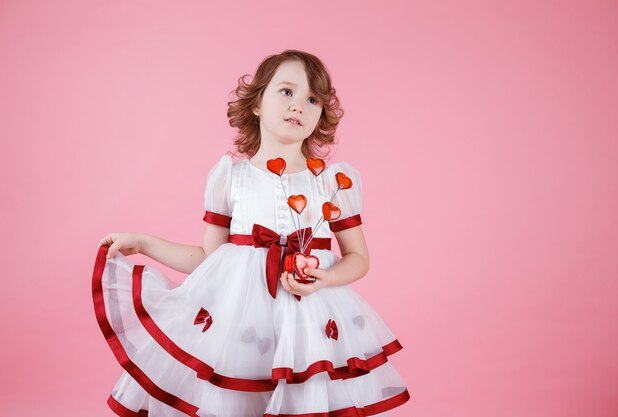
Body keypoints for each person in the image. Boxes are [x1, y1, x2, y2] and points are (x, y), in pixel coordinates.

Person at [94, 49, 410, 417]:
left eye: (312, 99)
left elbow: (358, 258)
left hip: (311, 323)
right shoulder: (231, 177)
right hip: (240, 322)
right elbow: (208, 259)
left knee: (307, 397)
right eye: (287, 92)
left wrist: (326, 277)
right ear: (257, 103)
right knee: (238, 396)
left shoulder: (334, 181)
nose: (299, 106)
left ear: (321, 114)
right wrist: (144, 242)